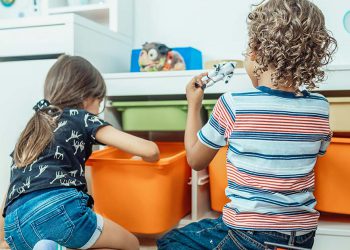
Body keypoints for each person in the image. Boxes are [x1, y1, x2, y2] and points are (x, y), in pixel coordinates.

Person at [157, 0, 337, 249]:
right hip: (302, 236)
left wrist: (194, 105)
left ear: (255, 50)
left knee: (171, 240)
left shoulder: (233, 104)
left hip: (248, 232)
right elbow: (318, 150)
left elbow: (195, 160)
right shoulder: (320, 107)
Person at [1, 55, 160, 250]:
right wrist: (142, 156)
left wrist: (4, 239)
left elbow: (10, 194)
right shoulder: (80, 117)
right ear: (86, 99)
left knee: (81, 241)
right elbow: (151, 150)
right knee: (131, 244)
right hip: (61, 211)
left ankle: (55, 247)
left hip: (15, 227)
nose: (97, 110)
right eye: (99, 102)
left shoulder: (32, 130)